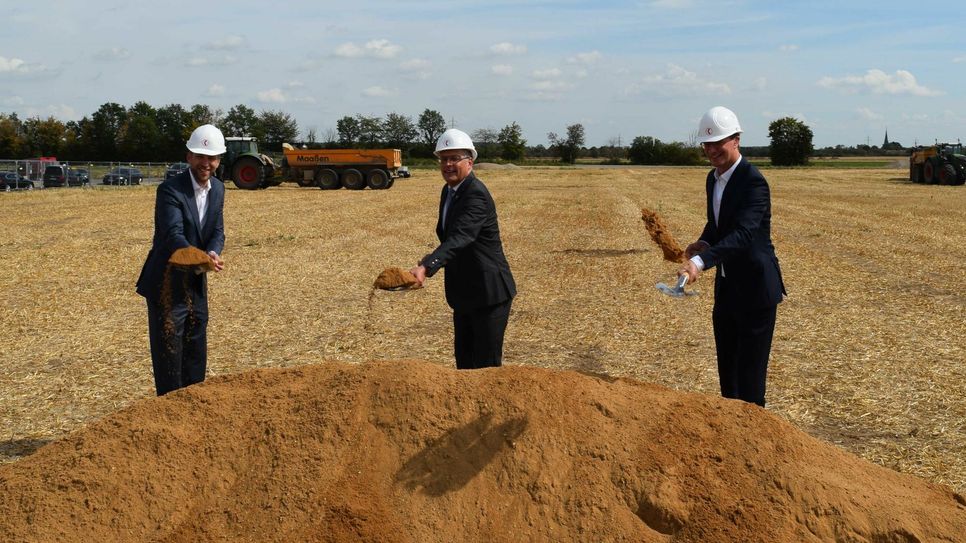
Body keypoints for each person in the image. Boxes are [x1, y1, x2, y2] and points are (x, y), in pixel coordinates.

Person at [679, 107, 786, 407]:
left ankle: (756, 447)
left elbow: (743, 234)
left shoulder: (753, 182)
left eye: (719, 142)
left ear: (736, 140)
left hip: (755, 292)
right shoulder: (713, 179)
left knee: (750, 386)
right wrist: (703, 242)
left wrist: (700, 262)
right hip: (727, 292)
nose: (711, 150)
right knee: (729, 380)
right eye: (706, 144)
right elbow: (719, 225)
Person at [410, 128, 516, 369]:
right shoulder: (449, 191)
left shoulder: (475, 194)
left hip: (489, 293)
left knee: (485, 369)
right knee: (464, 365)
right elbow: (452, 238)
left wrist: (428, 267)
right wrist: (431, 257)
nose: (448, 164)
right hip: (464, 294)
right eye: (444, 159)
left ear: (470, 162)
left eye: (454, 158)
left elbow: (462, 236)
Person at [136, 124, 226, 395]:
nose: (206, 163)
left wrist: (212, 252)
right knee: (169, 357)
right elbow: (173, 234)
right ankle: (168, 417)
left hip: (196, 283)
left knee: (196, 351)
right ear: (188, 157)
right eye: (200, 156)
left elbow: (217, 230)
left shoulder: (219, 189)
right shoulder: (170, 191)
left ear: (219, 160)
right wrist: (201, 258)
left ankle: (193, 410)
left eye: (212, 158)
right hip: (166, 284)